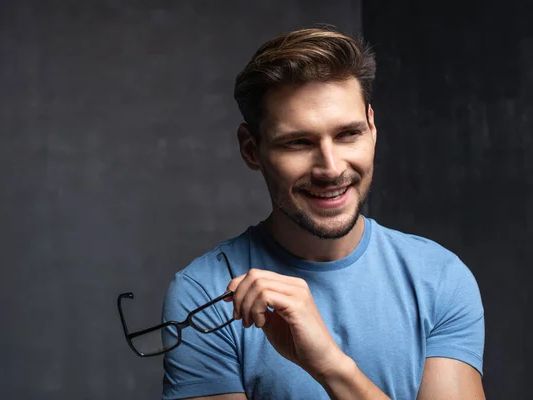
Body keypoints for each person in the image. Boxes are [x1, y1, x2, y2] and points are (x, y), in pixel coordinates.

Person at [160, 27, 485, 399]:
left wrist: (330, 365)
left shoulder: (438, 278)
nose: (330, 169)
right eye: (298, 142)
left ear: (372, 129)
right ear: (251, 149)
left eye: (348, 134)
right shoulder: (205, 293)